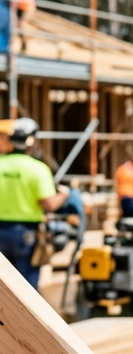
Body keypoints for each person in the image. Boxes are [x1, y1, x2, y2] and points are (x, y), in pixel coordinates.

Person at [0, 118, 68, 290]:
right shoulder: (38, 169)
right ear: (31, 141)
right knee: (25, 289)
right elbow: (49, 205)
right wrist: (63, 195)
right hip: (25, 234)